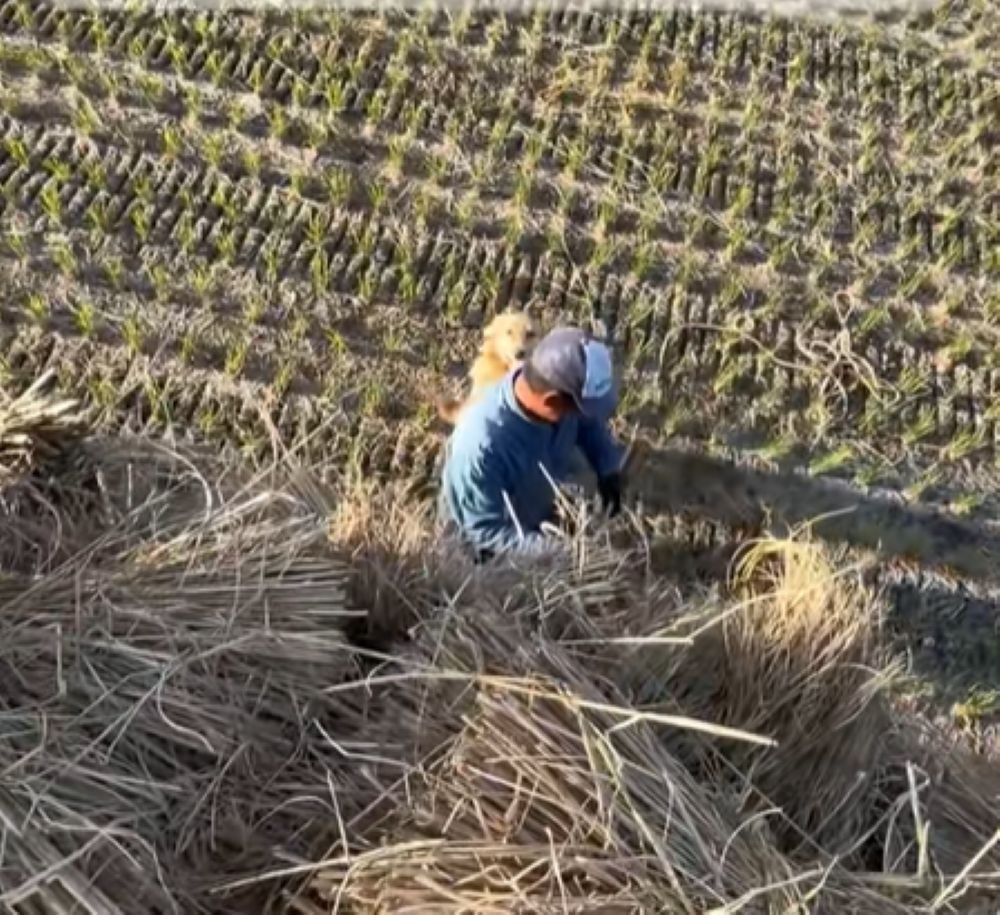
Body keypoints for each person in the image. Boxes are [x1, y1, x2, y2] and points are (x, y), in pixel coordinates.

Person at [439, 325, 626, 561]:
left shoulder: (552, 400)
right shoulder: (481, 448)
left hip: (532, 507)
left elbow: (587, 424)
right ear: (552, 402)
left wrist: (608, 468)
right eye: (580, 408)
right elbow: (484, 532)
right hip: (485, 555)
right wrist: (557, 553)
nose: (584, 415)